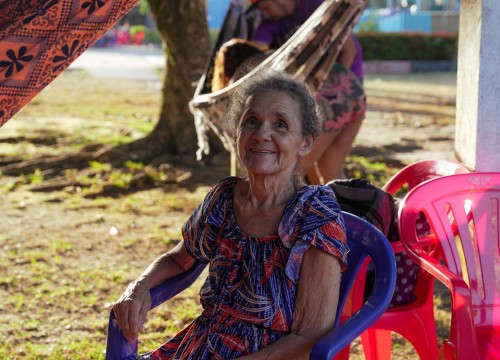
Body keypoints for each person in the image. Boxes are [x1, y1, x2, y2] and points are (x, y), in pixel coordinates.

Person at [112, 69, 349, 359]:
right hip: (201, 347)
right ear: (237, 133)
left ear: (306, 143)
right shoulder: (224, 199)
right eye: (251, 121)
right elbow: (179, 259)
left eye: (281, 125)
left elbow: (311, 335)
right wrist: (140, 286)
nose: (262, 134)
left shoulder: (315, 214)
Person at [249, 0, 367, 183]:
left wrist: (333, 89)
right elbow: (253, 54)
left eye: (265, 7)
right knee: (330, 175)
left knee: (290, 176)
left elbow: (349, 50)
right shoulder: (272, 22)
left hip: (335, 95)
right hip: (344, 97)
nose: (265, 14)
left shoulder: (316, 6)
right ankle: (345, 210)